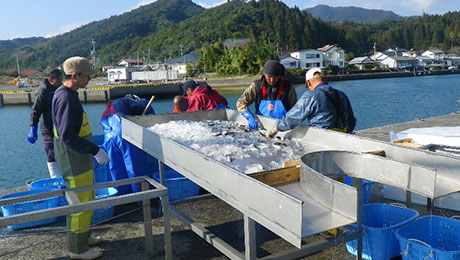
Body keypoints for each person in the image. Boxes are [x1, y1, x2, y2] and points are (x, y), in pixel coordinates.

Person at [52, 56, 110, 260]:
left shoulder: (70, 94)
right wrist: (95, 150)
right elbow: (67, 135)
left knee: (87, 199)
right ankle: (77, 250)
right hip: (73, 160)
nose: (89, 80)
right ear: (75, 76)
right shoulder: (66, 98)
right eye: (86, 76)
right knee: (79, 205)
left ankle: (85, 237)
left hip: (80, 159)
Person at [265, 68, 356, 138]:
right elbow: (352, 121)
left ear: (309, 82)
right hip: (342, 137)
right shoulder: (341, 94)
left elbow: (292, 118)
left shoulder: (311, 96)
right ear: (325, 79)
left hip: (322, 137)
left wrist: (276, 129)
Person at [101, 94, 155, 195]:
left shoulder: (110, 106)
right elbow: (149, 115)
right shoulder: (132, 101)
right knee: (133, 167)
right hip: (123, 132)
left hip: (108, 137)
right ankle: (141, 198)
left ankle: (123, 198)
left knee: (117, 169)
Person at [236, 60, 297, 129]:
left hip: (282, 127)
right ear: (264, 75)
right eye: (269, 77)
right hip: (261, 126)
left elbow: (295, 110)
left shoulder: (288, 88)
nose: (272, 80)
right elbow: (240, 103)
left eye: (275, 77)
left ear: (279, 76)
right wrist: (249, 116)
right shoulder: (256, 86)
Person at [27, 69, 63, 178]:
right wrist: (33, 127)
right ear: (50, 80)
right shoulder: (43, 91)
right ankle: (55, 177)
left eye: (61, 80)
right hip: (47, 127)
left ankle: (64, 175)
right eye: (58, 80)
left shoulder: (59, 89)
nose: (60, 82)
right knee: (51, 152)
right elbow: (35, 110)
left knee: (62, 152)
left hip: (59, 127)